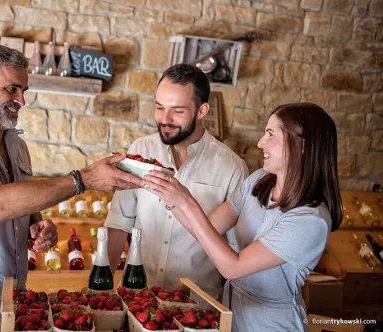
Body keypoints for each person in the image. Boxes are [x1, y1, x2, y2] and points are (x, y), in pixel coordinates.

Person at [0, 43, 142, 332]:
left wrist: (35, 225)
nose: (22, 100)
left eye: (24, 90)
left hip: (12, 304)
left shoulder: (17, 146)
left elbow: (15, 207)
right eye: (12, 89)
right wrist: (83, 179)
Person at [143, 102, 342, 331]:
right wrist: (167, 193)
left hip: (272, 324)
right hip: (233, 314)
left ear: (301, 145)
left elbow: (232, 267)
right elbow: (207, 229)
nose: (260, 143)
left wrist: (185, 200)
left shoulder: (310, 220)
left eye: (270, 134)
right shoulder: (258, 182)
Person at [105, 64, 248, 300]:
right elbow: (120, 222)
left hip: (198, 306)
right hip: (136, 298)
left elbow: (235, 251)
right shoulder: (140, 150)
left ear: (202, 111)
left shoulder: (232, 168)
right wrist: (101, 289)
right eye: (159, 107)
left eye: (177, 111)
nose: (165, 119)